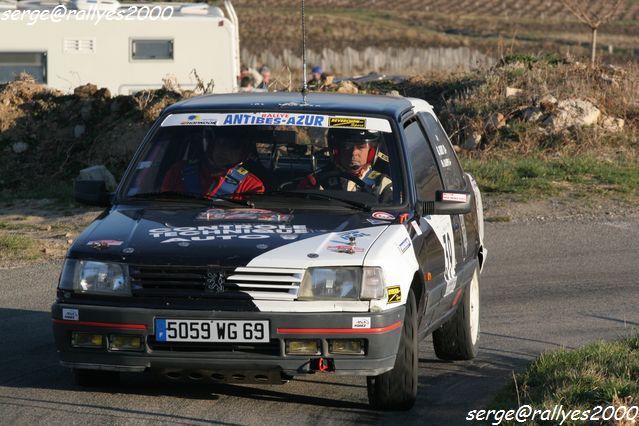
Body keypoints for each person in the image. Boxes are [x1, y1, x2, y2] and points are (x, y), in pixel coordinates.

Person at [161, 130, 265, 198]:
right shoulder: (178, 172)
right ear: (211, 144)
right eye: (221, 143)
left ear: (244, 153)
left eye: (233, 146)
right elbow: (161, 208)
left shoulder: (251, 186)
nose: (224, 151)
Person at [300, 128, 392, 201]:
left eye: (361, 147)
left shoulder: (382, 184)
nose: (354, 153)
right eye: (347, 146)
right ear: (338, 151)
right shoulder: (318, 181)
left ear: (371, 152)